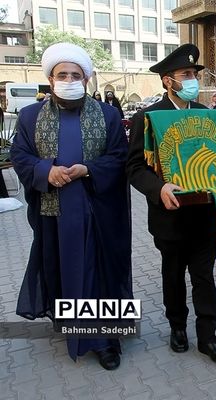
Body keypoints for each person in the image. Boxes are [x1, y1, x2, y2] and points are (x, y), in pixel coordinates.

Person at [10, 42, 132, 369]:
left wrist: (89, 169)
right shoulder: (30, 116)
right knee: (63, 271)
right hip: (54, 214)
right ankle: (73, 328)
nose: (68, 79)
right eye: (62, 74)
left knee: (99, 275)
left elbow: (120, 157)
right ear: (50, 79)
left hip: (98, 212)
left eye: (75, 74)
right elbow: (20, 155)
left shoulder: (107, 114)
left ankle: (105, 340)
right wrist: (44, 171)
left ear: (87, 79)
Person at [127, 43, 216, 362]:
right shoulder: (147, 117)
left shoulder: (209, 116)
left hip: (204, 215)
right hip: (169, 218)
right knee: (172, 276)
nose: (192, 81)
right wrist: (158, 188)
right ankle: (177, 327)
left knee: (204, 276)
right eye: (185, 75)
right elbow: (134, 167)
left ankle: (208, 336)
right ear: (166, 81)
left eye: (194, 75)